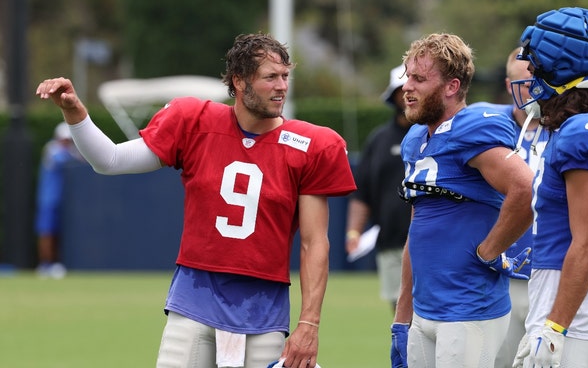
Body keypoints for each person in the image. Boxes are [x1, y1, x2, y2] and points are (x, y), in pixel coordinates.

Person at [36, 33, 356, 368]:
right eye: (270, 77)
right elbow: (111, 160)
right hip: (195, 301)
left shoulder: (311, 144)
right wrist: (74, 111)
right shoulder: (193, 120)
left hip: (264, 310)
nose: (281, 87)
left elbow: (314, 243)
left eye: (285, 76)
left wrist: (309, 324)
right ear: (240, 81)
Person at [390, 32, 536, 367]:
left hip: (469, 308)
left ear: (452, 86)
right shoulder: (415, 138)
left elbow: (526, 190)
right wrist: (403, 312)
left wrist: (489, 250)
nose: (407, 87)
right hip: (425, 308)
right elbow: (419, 226)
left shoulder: (471, 128)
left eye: (419, 78)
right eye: (407, 76)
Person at [509, 7, 588, 367]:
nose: (530, 78)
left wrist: (554, 327)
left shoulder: (584, 132)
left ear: (563, 69)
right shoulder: (584, 127)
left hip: (576, 311)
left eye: (537, 68)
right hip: (573, 303)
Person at [470, 47, 551, 368]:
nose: (533, 89)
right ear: (508, 85)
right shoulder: (486, 127)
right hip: (498, 276)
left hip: (552, 275)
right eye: (524, 82)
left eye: (539, 81)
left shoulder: (568, 131)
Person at [344, 64, 412, 312]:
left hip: (430, 244)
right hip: (391, 244)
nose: (408, 95)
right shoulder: (379, 139)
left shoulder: (436, 132)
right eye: (402, 90)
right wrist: (354, 232)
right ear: (393, 95)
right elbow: (362, 192)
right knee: (400, 315)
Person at [34, 121, 85, 279]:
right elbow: (68, 158)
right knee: (47, 232)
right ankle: (45, 265)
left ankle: (55, 263)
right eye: (64, 140)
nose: (66, 143)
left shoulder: (69, 151)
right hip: (48, 199)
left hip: (63, 200)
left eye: (68, 140)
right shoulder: (52, 149)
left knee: (59, 233)